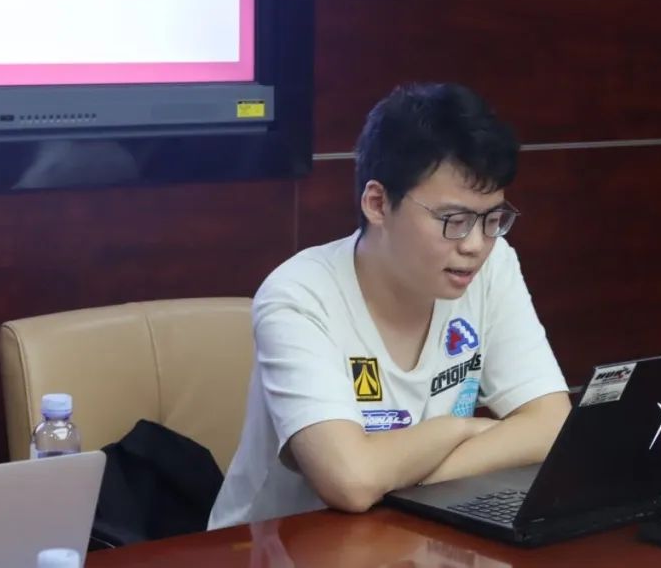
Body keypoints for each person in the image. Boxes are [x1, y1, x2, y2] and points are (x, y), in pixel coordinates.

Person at [209, 82, 571, 528]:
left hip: (411, 531)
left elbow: (552, 424)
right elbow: (350, 480)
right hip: (278, 545)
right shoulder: (299, 295)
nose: (476, 245)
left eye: (492, 219)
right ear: (378, 204)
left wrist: (394, 476)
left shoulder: (492, 267)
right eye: (453, 220)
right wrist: (460, 428)